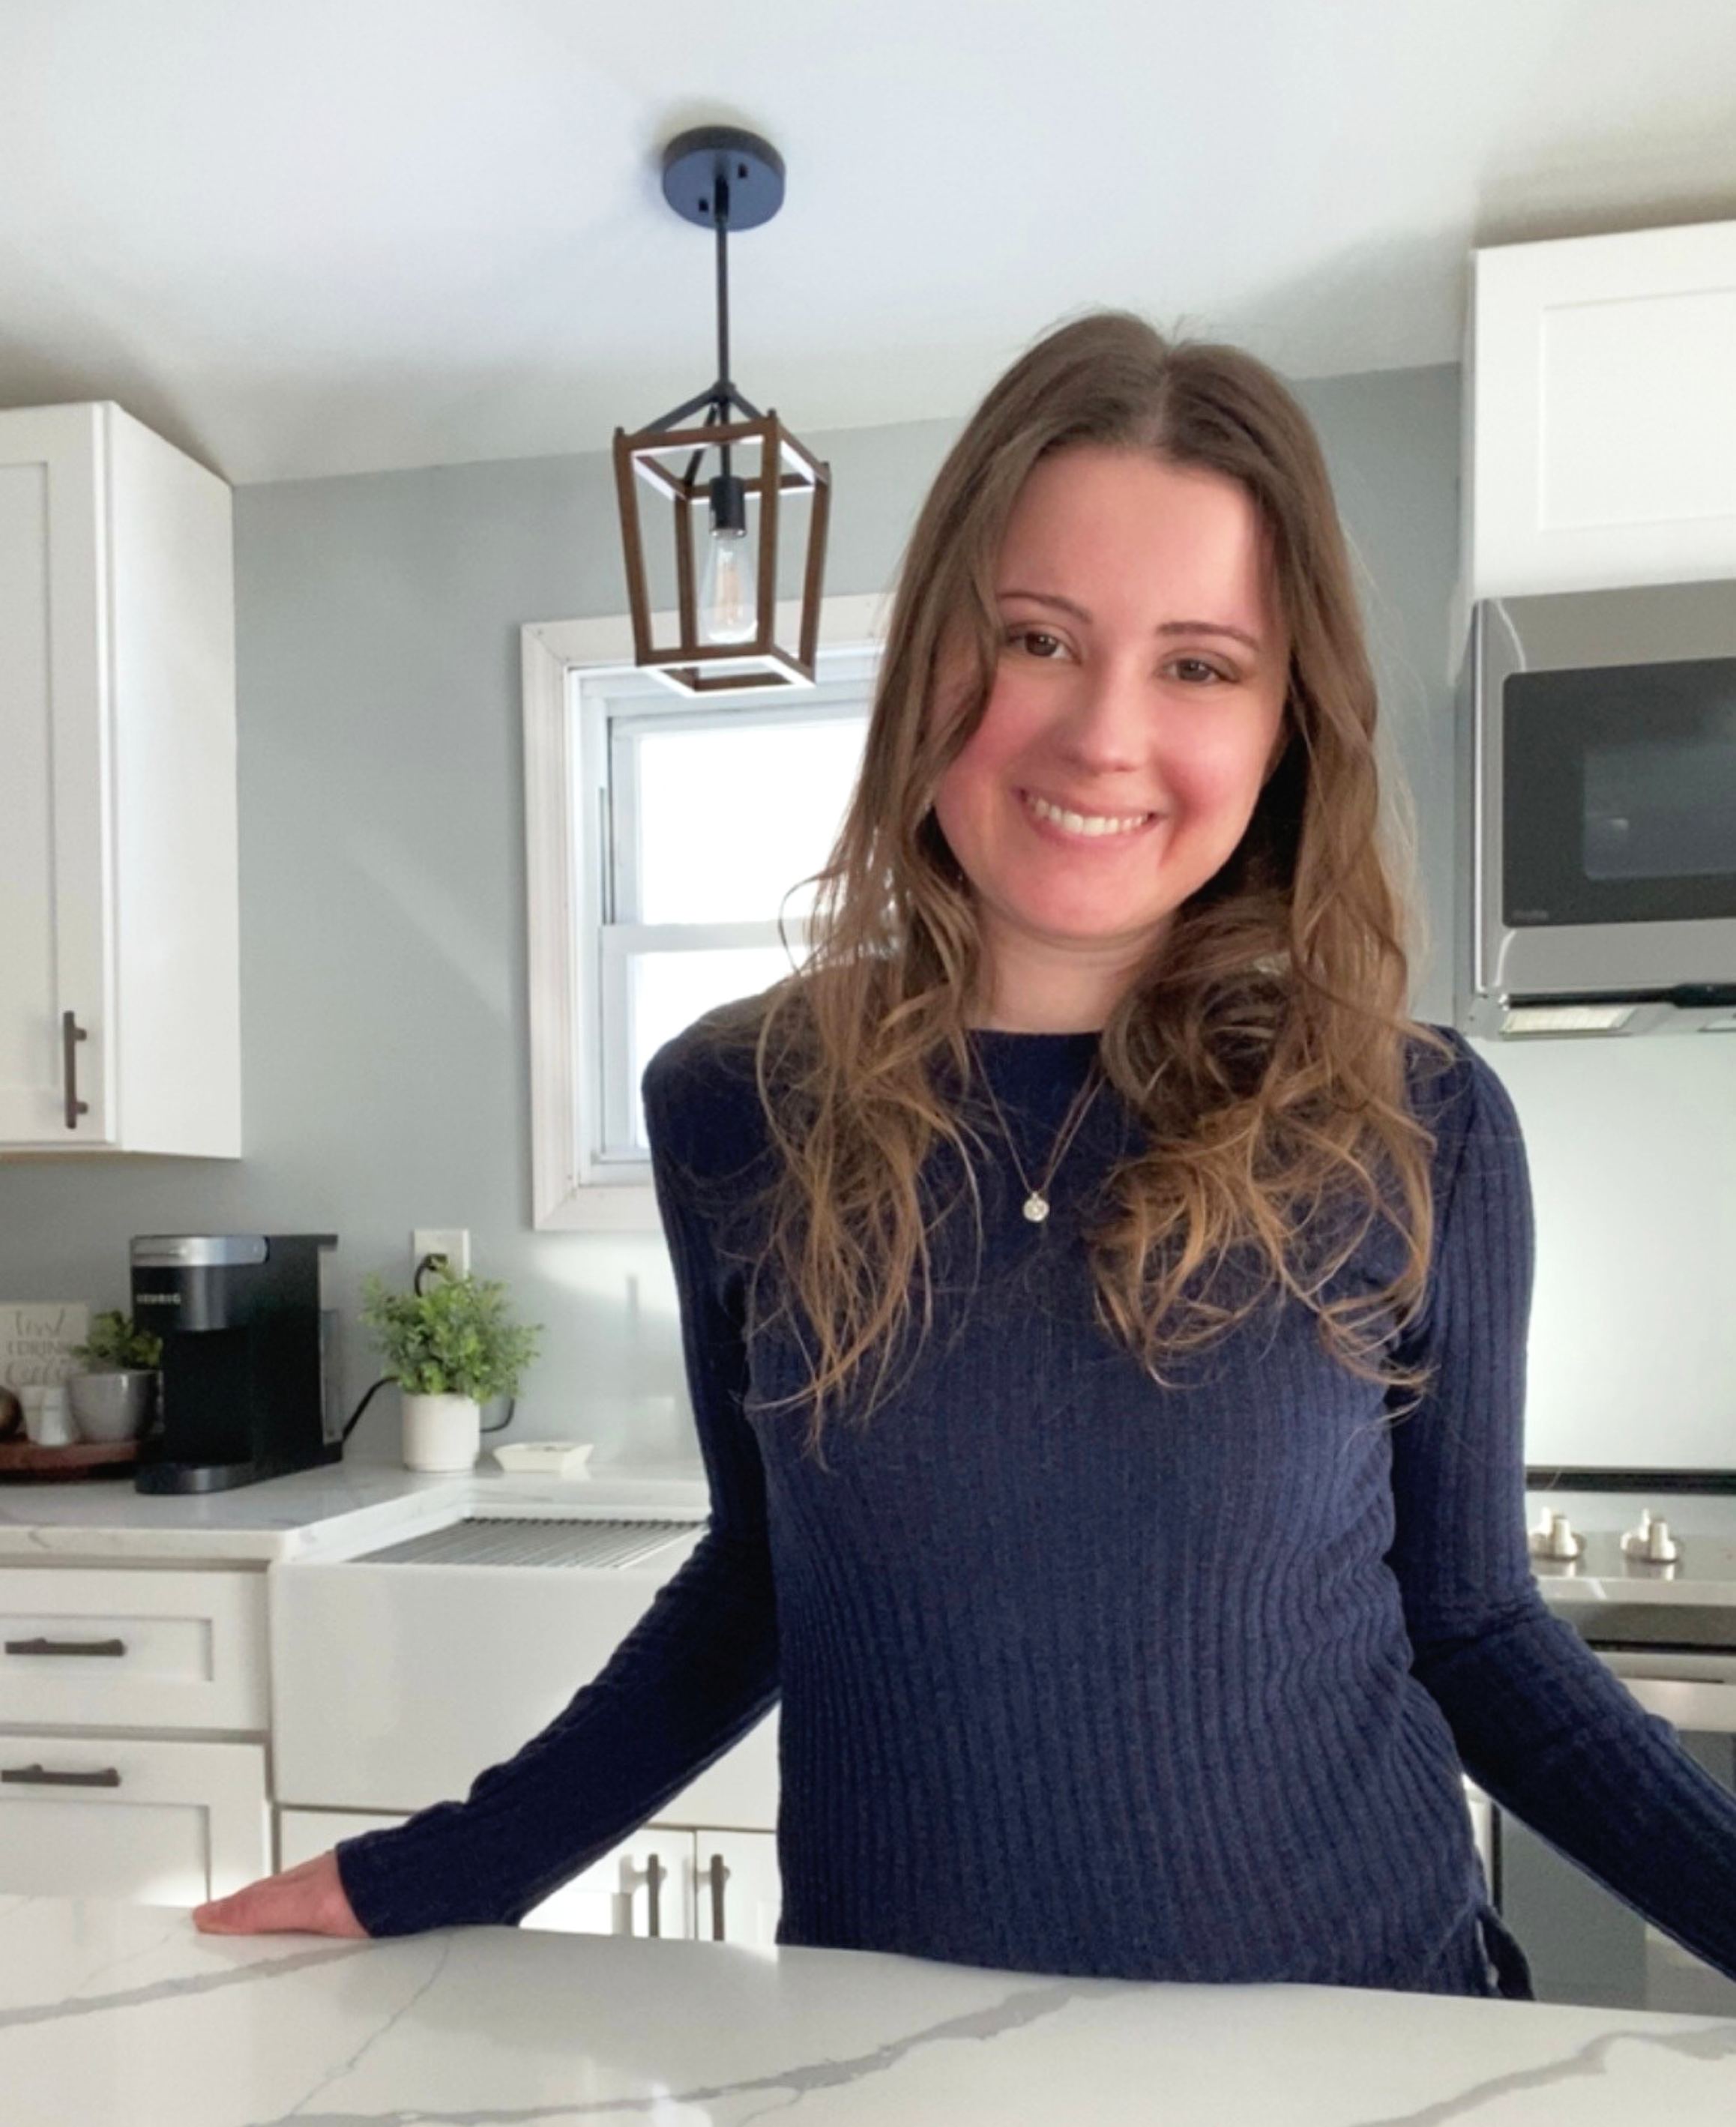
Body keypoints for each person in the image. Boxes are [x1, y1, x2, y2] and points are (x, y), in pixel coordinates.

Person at [195, 311, 1736, 1997]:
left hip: (1357, 2044)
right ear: (932, 654)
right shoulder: (734, 1103)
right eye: (1036, 638)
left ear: (1291, 723)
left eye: (1202, 664)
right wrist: (440, 1868)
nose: (1102, 737)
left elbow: (1481, 1630)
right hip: (891, 2062)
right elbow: (760, 1583)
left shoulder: (1416, 1116)